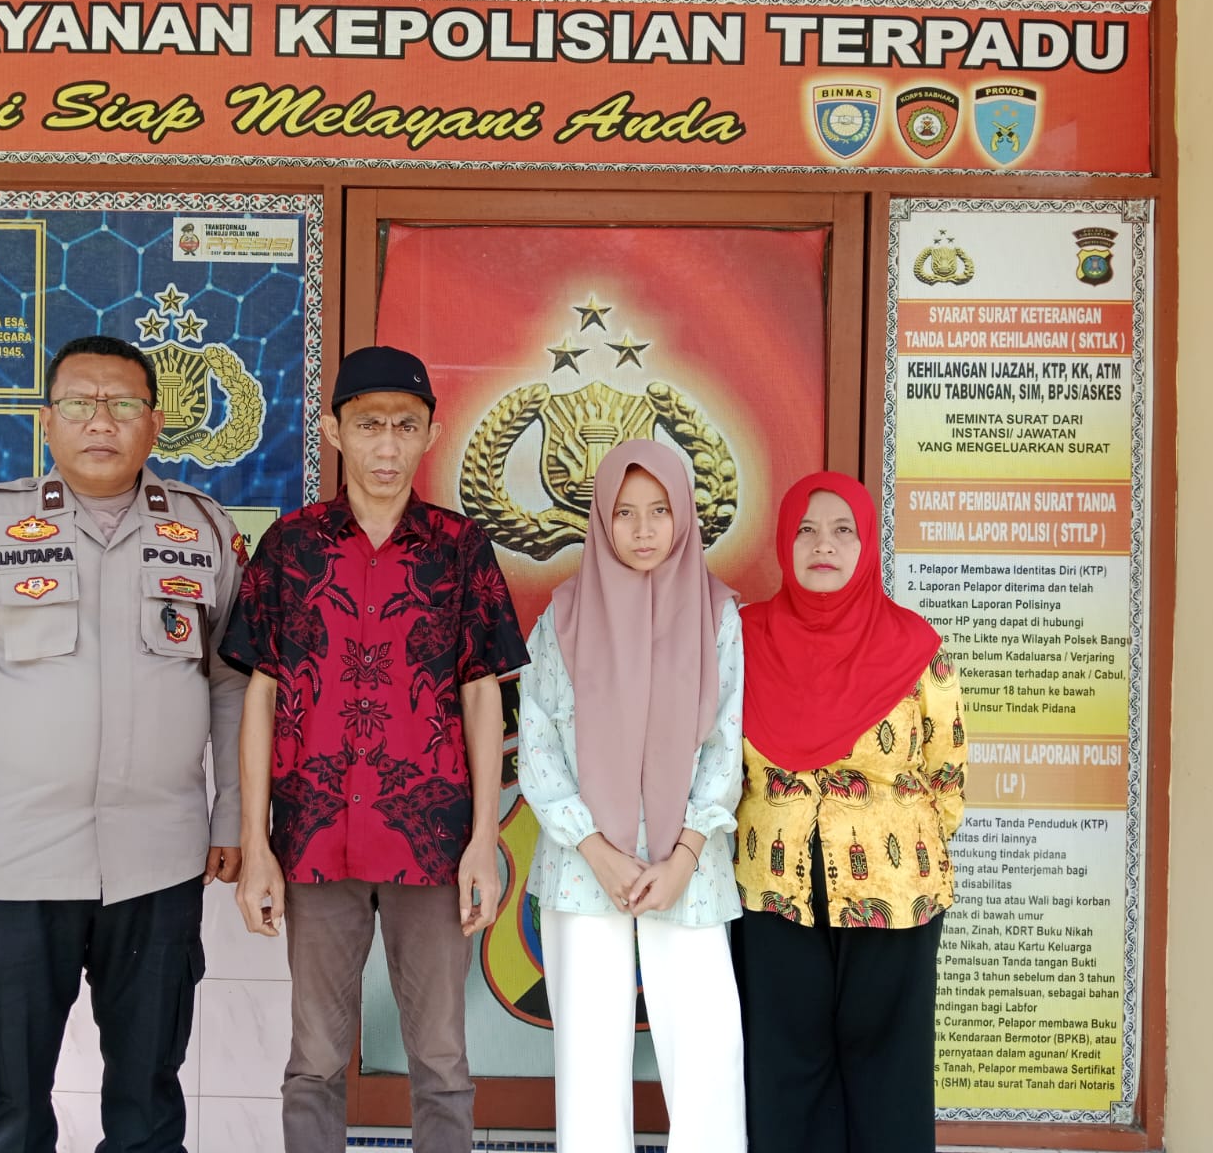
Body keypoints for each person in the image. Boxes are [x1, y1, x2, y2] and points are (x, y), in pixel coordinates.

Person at [0, 334, 248, 1153]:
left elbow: (232, 684)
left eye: (122, 404)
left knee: (148, 1111)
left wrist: (232, 818)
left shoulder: (203, 532)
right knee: (9, 1111)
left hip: (158, 861)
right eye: (81, 403)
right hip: (14, 862)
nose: (102, 421)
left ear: (154, 423)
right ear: (47, 422)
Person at [220, 344, 528, 1153]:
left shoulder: (460, 548)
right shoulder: (290, 548)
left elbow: (482, 693)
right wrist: (256, 845)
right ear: (334, 432)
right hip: (314, 838)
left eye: (404, 426)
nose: (386, 445)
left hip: (432, 843)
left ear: (430, 434)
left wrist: (483, 841)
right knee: (315, 1061)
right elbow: (260, 694)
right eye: (368, 425)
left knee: (442, 1061)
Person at [517, 439, 746, 1152]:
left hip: (689, 866)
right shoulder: (562, 618)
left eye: (659, 510)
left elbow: (726, 744)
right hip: (586, 864)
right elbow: (538, 744)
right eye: (624, 512)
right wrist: (596, 849)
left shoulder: (717, 616)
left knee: (708, 1055)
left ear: (684, 517)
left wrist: (683, 855)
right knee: (588, 1063)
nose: (643, 529)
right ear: (599, 519)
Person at [733, 471, 967, 1153]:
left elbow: (948, 775)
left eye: (843, 531)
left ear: (866, 545)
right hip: (773, 891)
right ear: (785, 541)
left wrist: (894, 839)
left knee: (888, 1074)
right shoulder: (742, 640)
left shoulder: (916, 648)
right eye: (806, 530)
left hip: (894, 896)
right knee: (783, 1071)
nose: (823, 545)